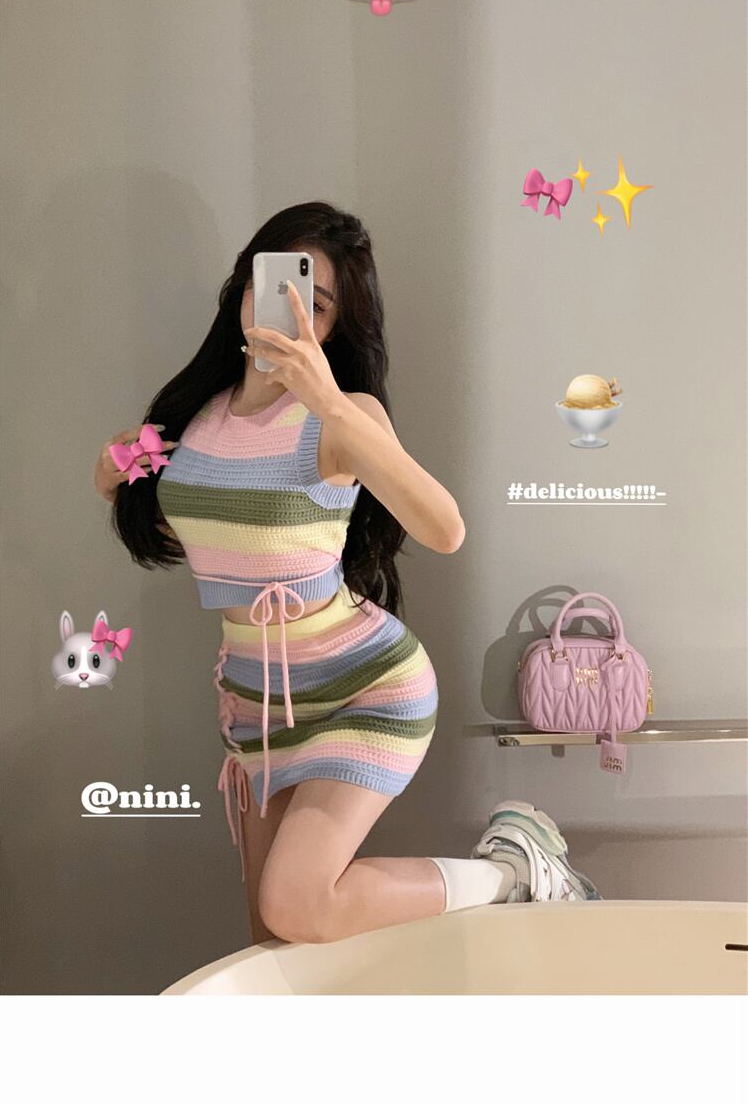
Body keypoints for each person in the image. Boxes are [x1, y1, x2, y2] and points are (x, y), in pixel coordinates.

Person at [94, 201, 600, 947]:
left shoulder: (343, 416)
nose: (292, 309)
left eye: (317, 302)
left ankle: (512, 873)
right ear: (243, 287)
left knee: (297, 905)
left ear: (334, 326)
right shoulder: (192, 417)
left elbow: (445, 528)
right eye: (275, 284)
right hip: (258, 707)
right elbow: (180, 512)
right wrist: (114, 473)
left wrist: (327, 399)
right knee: (275, 942)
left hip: (366, 688)